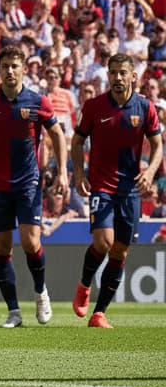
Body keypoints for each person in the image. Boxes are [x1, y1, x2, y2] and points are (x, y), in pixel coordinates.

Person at [0, 46, 69, 329]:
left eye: (14, 66)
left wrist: (62, 172)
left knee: (31, 241)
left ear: (23, 69)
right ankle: (13, 311)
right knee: (2, 246)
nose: (10, 71)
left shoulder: (37, 101)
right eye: (5, 65)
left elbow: (57, 134)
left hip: (28, 182)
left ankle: (41, 292)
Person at [70, 54, 163, 328]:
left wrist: (149, 172)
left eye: (123, 73)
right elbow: (77, 143)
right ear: (107, 76)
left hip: (130, 190)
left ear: (133, 76)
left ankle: (99, 314)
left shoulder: (145, 107)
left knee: (120, 252)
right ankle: (84, 285)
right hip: (102, 186)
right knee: (103, 242)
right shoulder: (95, 106)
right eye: (113, 73)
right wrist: (78, 174)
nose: (118, 78)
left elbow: (158, 146)